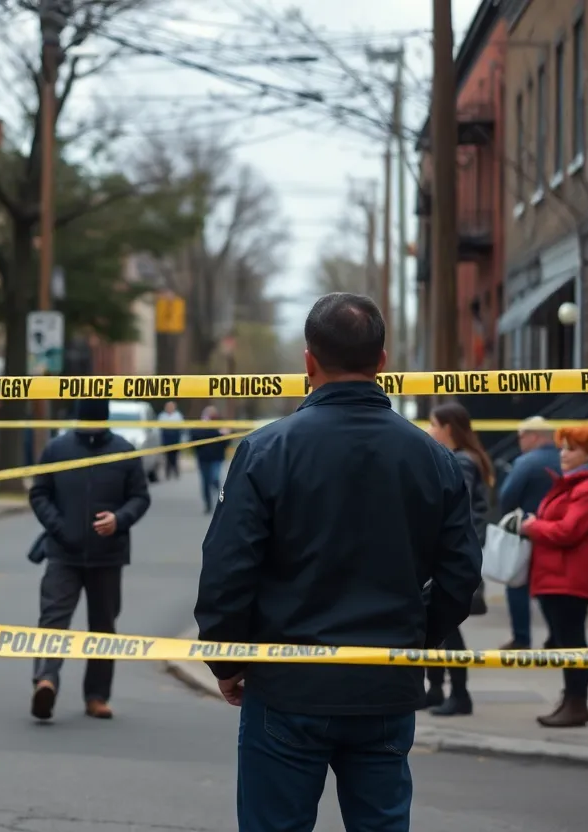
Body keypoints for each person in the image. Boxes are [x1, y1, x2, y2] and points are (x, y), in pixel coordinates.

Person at [194, 292, 482, 832]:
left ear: (307, 362)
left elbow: (227, 569)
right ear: (382, 362)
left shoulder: (265, 452)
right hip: (384, 684)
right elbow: (460, 573)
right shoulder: (435, 459)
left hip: (287, 682)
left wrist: (228, 659)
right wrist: (416, 639)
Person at [28, 398, 152, 722]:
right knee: (54, 620)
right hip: (62, 553)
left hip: (107, 556)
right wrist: (59, 526)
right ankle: (45, 681)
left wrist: (119, 519)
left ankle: (97, 696)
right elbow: (39, 493)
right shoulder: (57, 449)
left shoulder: (124, 452)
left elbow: (140, 497)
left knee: (103, 627)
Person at [521, 425, 588, 728]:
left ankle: (577, 704)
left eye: (571, 449)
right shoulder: (575, 484)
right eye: (563, 447)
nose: (563, 454)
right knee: (567, 642)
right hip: (558, 574)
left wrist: (531, 528)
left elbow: (568, 531)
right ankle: (570, 699)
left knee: (572, 643)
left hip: (570, 576)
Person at [424, 402, 494, 717]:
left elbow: (453, 510)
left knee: (448, 627)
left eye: (433, 424)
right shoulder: (466, 459)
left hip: (451, 555)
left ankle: (459, 694)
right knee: (437, 624)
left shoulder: (461, 462)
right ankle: (436, 689)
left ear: (448, 428)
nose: (429, 431)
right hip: (455, 552)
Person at [497, 416, 562, 650]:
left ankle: (521, 638)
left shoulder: (526, 462)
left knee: (517, 583)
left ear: (534, 436)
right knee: (550, 587)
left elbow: (507, 497)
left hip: (528, 531)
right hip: (560, 532)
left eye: (521, 436)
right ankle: (557, 636)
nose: (519, 441)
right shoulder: (564, 459)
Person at [189, 406, 229, 513]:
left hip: (217, 457)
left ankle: (222, 502)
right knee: (205, 482)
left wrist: (225, 435)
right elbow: (194, 438)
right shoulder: (199, 426)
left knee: (215, 478)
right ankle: (208, 504)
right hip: (203, 458)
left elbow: (226, 442)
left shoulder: (221, 425)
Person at [157, 400, 185, 479]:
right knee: (167, 456)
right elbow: (159, 428)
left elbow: (181, 427)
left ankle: (176, 472)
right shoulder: (162, 416)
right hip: (166, 437)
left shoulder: (178, 415)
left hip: (175, 437)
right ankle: (168, 473)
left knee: (175, 456)